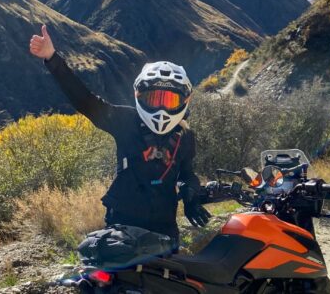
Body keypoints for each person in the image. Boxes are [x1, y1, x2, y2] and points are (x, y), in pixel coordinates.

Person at [29, 25, 211, 245]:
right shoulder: (125, 121)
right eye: (154, 99)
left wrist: (191, 194)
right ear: (138, 95)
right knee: (119, 280)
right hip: (123, 228)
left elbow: (186, 173)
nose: (162, 109)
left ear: (185, 101)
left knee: (165, 279)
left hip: (165, 228)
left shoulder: (185, 134)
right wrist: (52, 58)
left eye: (170, 100)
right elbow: (85, 101)